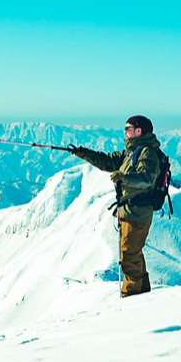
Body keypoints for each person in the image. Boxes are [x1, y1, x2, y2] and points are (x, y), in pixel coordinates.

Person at [68, 115, 168, 297]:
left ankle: (131, 297)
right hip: (129, 211)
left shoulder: (147, 153)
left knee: (129, 256)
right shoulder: (131, 153)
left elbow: (147, 178)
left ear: (139, 131)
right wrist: (83, 153)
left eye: (128, 128)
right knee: (133, 253)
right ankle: (143, 294)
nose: (124, 131)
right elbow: (107, 161)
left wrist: (125, 178)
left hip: (138, 212)